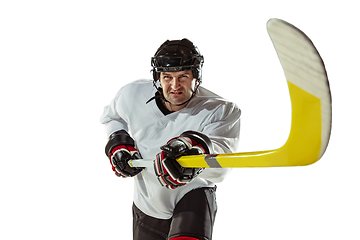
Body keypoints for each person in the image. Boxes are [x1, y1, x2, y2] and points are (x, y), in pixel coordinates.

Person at [100, 38, 241, 240]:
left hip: (192, 197)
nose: (175, 85)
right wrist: (119, 143)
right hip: (147, 202)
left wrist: (194, 150)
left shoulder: (220, 109)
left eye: (183, 76)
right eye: (167, 77)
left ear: (196, 77)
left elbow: (222, 165)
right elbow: (112, 116)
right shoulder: (132, 94)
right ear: (158, 77)